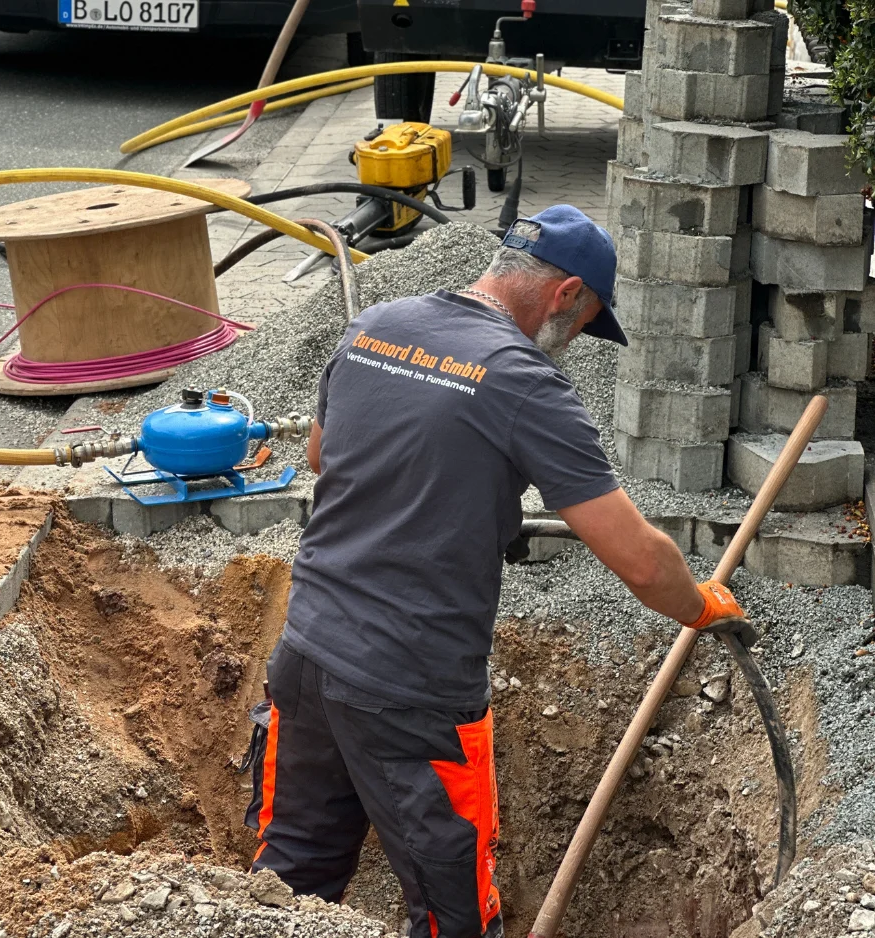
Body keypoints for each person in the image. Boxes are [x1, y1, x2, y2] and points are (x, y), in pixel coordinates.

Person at [244, 205, 748, 938]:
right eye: (583, 323)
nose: (573, 342)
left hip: (306, 657)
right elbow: (638, 559)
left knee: (289, 886)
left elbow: (325, 455)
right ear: (566, 293)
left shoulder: (379, 322)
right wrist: (701, 607)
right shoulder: (523, 381)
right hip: (413, 695)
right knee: (454, 917)